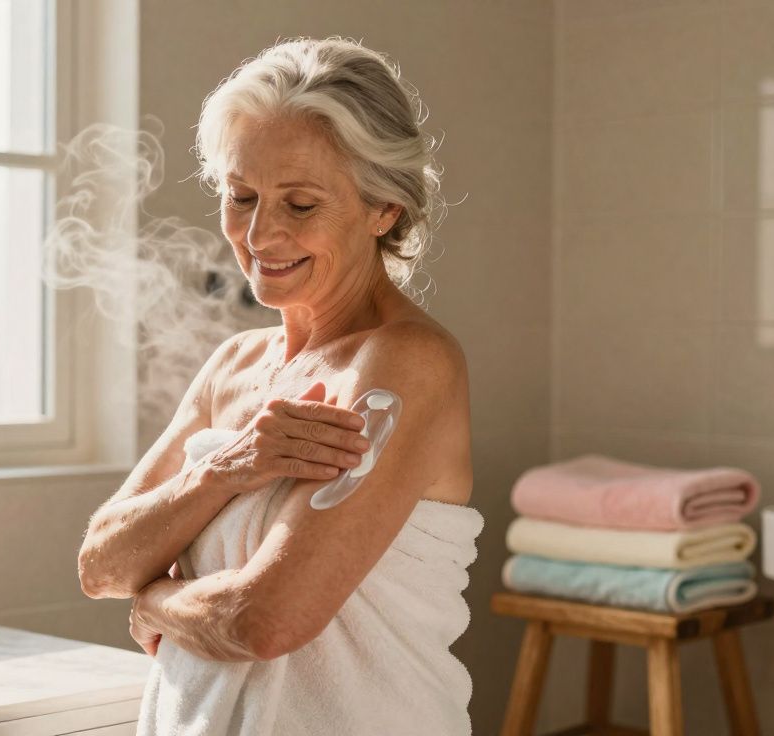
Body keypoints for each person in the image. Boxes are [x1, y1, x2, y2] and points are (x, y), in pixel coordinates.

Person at [77, 37, 483, 735]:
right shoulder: (234, 365)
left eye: (300, 205)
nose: (260, 234)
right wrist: (228, 469)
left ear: (384, 209)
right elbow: (101, 563)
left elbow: (267, 621)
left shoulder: (407, 365)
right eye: (241, 196)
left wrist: (156, 607)